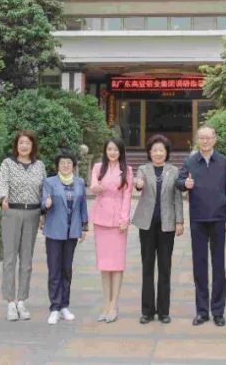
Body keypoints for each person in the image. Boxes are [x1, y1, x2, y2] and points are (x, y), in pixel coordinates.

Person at [176, 125, 226, 326]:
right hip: (198, 219)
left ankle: (218, 311)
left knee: (218, 266)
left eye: (208, 137)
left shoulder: (224, 162)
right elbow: (179, 181)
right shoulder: (191, 161)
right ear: (197, 140)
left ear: (214, 139)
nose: (205, 141)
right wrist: (185, 184)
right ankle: (202, 311)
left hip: (219, 219)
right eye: (201, 138)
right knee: (199, 266)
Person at [131, 134, 185, 324]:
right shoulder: (143, 169)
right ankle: (147, 311)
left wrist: (180, 221)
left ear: (166, 152)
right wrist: (138, 184)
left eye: (161, 150)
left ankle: (163, 311)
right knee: (147, 267)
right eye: (155, 150)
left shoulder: (174, 171)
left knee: (165, 268)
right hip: (146, 225)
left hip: (167, 225)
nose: (158, 153)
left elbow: (177, 198)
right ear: (150, 152)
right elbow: (137, 182)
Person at [0, 130, 47, 322]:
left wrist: (43, 213)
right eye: (21, 143)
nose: (24, 146)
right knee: (10, 259)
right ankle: (10, 301)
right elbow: (2, 183)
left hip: (32, 214)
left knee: (27, 260)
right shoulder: (8, 164)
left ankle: (21, 301)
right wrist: (3, 198)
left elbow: (44, 190)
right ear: (16, 146)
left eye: (27, 143)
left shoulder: (39, 165)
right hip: (12, 212)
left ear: (33, 146)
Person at [40, 149, 88, 325]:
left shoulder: (79, 182)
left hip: (72, 232)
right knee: (54, 270)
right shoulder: (49, 182)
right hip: (54, 231)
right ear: (57, 166)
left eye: (69, 163)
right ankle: (54, 308)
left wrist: (84, 226)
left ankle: (64, 306)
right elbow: (42, 204)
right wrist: (46, 204)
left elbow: (83, 206)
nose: (66, 165)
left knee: (67, 269)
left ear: (73, 166)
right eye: (62, 163)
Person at [90, 138, 134, 323]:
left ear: (121, 151)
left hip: (118, 222)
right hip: (101, 219)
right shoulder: (98, 167)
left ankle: (114, 305)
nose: (112, 152)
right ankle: (106, 304)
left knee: (116, 265)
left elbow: (127, 196)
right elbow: (93, 186)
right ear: (105, 151)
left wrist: (124, 219)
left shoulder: (127, 170)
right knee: (104, 265)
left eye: (116, 149)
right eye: (109, 149)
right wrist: (95, 188)